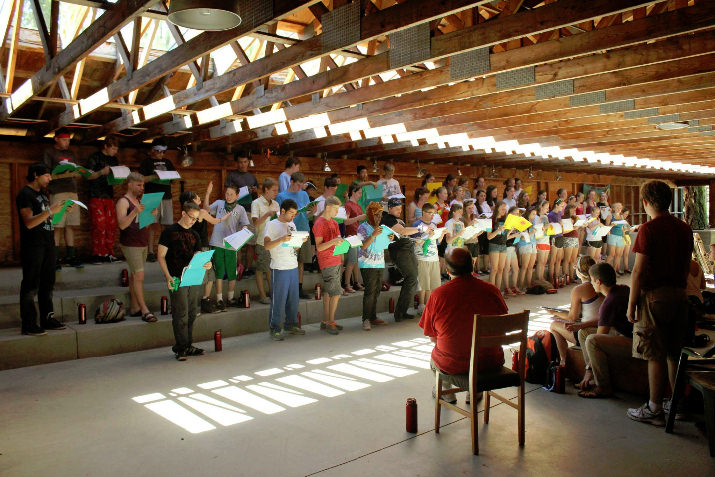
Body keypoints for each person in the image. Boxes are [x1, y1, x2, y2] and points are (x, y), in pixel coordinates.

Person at [626, 180, 693, 426]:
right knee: (675, 352)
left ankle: (654, 407)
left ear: (645, 203)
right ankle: (677, 404)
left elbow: (638, 271)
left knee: (654, 352)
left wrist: (632, 303)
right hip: (680, 294)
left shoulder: (648, 229)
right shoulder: (684, 228)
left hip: (655, 297)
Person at [419, 248, 508, 404]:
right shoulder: (492, 290)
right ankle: (476, 391)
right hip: (491, 362)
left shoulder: (439, 295)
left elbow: (433, 337)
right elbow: (503, 326)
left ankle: (447, 392)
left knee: (435, 358)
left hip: (454, 364)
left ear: (447, 270)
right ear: (472, 265)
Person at [157, 202, 211, 361]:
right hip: (175, 277)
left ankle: (187, 345)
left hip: (192, 277)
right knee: (180, 313)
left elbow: (198, 256)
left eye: (195, 219)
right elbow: (160, 256)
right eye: (191, 217)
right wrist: (167, 276)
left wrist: (206, 264)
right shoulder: (169, 231)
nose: (193, 221)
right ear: (183, 213)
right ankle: (180, 347)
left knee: (192, 313)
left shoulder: (195, 234)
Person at [17, 163, 67, 335]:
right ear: (36, 175)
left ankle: (48, 318)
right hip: (33, 245)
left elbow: (47, 220)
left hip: (48, 243)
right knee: (31, 285)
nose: (50, 179)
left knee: (48, 283)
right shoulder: (25, 194)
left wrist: (60, 211)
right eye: (47, 175)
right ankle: (29, 323)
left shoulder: (43, 195)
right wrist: (50, 211)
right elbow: (29, 222)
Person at [575, 262, 633, 398]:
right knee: (584, 332)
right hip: (626, 334)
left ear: (598, 281)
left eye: (592, 280)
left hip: (633, 342)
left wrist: (588, 368)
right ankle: (593, 376)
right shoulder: (623, 289)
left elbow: (599, 337)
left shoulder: (608, 303)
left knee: (592, 340)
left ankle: (603, 386)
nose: (591, 283)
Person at [263, 199, 308, 341]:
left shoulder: (292, 224)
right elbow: (267, 246)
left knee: (293, 299)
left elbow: (294, 247)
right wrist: (282, 239)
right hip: (279, 266)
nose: (293, 216)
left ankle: (291, 324)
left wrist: (300, 241)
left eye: (295, 214)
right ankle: (275, 328)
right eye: (291, 213)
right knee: (279, 299)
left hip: (292, 265)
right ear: (282, 211)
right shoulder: (271, 224)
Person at [548, 256, 604, 365]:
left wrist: (554, 313)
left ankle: (564, 361)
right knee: (559, 320)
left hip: (587, 331)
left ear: (578, 272)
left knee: (554, 325)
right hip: (602, 327)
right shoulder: (599, 283)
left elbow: (572, 317)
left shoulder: (579, 289)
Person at [116, 172, 156, 323]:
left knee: (135, 276)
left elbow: (142, 222)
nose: (141, 188)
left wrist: (151, 214)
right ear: (129, 184)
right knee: (139, 276)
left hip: (142, 241)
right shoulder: (123, 201)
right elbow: (122, 224)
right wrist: (134, 211)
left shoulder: (138, 200)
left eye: (143, 185)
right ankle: (144, 310)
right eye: (138, 185)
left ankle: (134, 307)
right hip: (131, 243)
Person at [206, 184, 250, 311]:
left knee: (232, 271)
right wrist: (208, 194)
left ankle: (230, 297)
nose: (228, 196)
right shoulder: (219, 203)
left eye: (231, 194)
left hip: (231, 243)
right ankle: (219, 298)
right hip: (217, 242)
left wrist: (243, 231)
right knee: (219, 271)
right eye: (226, 194)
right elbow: (207, 210)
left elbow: (245, 224)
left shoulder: (240, 209)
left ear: (237, 196)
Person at [178, 186, 222, 314]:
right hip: (200, 247)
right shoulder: (200, 213)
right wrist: (223, 219)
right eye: (197, 197)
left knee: (209, 275)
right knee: (202, 276)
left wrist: (208, 193)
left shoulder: (197, 212)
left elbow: (206, 208)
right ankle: (196, 304)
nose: (199, 198)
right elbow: (211, 217)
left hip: (202, 246)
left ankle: (204, 301)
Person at [43, 127, 82, 268]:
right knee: (57, 225)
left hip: (72, 190)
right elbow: (46, 171)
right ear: (56, 139)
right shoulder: (49, 152)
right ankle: (54, 257)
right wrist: (59, 172)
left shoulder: (71, 153)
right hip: (57, 191)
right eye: (64, 140)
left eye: (68, 140)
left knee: (70, 224)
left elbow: (77, 168)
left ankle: (71, 255)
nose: (67, 143)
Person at [276, 172, 317, 299]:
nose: (299, 188)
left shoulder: (304, 194)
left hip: (303, 230)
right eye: (297, 185)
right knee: (289, 261)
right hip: (289, 231)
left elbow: (307, 215)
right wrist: (291, 216)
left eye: (301, 186)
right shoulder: (282, 196)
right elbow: (278, 216)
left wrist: (313, 212)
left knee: (301, 262)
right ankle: (288, 288)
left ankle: (299, 288)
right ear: (291, 182)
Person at [381, 197, 420, 321]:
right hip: (400, 252)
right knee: (411, 278)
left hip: (407, 249)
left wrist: (415, 241)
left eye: (400, 208)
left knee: (412, 279)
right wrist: (420, 229)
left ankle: (402, 311)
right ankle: (399, 312)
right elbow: (402, 231)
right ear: (390, 208)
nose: (399, 211)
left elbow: (402, 235)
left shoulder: (396, 219)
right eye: (396, 208)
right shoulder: (388, 219)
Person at [138, 138, 176, 262]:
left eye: (163, 152)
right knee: (150, 225)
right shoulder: (146, 163)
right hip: (151, 196)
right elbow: (140, 179)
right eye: (158, 151)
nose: (161, 154)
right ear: (152, 150)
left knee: (167, 225)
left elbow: (174, 177)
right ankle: (149, 251)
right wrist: (154, 176)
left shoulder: (168, 162)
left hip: (166, 197)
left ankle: (166, 251)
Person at [313, 196, 346, 335]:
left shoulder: (334, 222)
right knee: (336, 293)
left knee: (328, 292)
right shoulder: (319, 223)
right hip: (327, 261)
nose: (337, 212)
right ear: (327, 207)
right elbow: (319, 247)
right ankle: (331, 321)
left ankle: (326, 321)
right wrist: (333, 242)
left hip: (336, 260)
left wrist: (342, 257)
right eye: (335, 209)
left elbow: (339, 241)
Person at [86, 134, 119, 263]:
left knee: (111, 225)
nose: (115, 152)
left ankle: (109, 252)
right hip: (96, 195)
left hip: (109, 195)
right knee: (99, 225)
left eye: (116, 149)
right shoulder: (94, 158)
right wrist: (101, 172)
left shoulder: (114, 160)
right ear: (105, 146)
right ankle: (97, 253)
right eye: (113, 148)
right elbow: (87, 176)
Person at [357, 202, 389, 330]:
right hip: (367, 263)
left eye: (380, 215)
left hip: (379, 262)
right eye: (376, 215)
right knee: (370, 291)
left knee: (376, 290)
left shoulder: (381, 227)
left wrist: (389, 238)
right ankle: (366, 319)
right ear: (370, 215)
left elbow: (384, 244)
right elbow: (363, 245)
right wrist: (373, 235)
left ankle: (373, 316)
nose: (379, 218)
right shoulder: (362, 228)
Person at [225, 154, 258, 275]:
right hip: (236, 211)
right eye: (240, 162)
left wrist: (254, 191)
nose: (242, 164)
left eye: (244, 162)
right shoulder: (231, 176)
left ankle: (248, 269)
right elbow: (228, 194)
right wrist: (242, 191)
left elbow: (255, 197)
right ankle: (238, 268)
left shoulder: (252, 177)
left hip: (249, 211)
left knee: (250, 242)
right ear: (236, 163)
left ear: (248, 162)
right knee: (236, 242)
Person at [252, 178, 280, 305]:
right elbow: (256, 224)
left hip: (275, 241)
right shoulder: (256, 203)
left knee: (271, 268)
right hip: (262, 240)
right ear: (266, 189)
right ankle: (262, 295)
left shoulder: (276, 203)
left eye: (277, 190)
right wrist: (267, 214)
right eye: (274, 190)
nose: (276, 192)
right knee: (261, 268)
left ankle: (273, 293)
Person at [412, 203, 441, 315]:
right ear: (423, 212)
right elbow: (416, 242)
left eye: (433, 213)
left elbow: (437, 241)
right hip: (422, 257)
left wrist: (441, 234)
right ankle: (421, 305)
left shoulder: (434, 224)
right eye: (430, 213)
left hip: (433, 257)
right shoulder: (417, 225)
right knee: (423, 283)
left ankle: (428, 304)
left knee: (431, 283)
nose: (432, 216)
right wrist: (428, 235)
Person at [343, 183, 366, 293]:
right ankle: (347, 284)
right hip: (350, 235)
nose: (360, 195)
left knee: (356, 261)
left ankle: (356, 282)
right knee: (351, 260)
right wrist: (358, 218)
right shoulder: (348, 205)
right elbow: (346, 222)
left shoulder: (358, 205)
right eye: (359, 193)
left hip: (357, 235)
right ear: (353, 192)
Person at [487, 201, 508, 294]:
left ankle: (498, 291)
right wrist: (498, 230)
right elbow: (489, 237)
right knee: (494, 269)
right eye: (502, 208)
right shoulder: (490, 220)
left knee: (500, 269)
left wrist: (510, 231)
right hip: (494, 245)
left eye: (505, 208)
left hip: (503, 245)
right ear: (497, 208)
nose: (504, 210)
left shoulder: (506, 220)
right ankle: (491, 291)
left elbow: (505, 235)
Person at [502, 206, 523, 296]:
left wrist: (519, 236)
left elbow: (517, 237)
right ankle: (507, 288)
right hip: (506, 247)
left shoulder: (516, 224)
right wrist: (513, 236)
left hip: (512, 247)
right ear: (510, 214)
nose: (516, 215)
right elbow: (504, 238)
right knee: (507, 268)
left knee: (516, 268)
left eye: (518, 213)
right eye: (515, 213)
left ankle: (514, 286)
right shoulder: (507, 224)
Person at [516, 207, 537, 290]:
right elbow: (521, 237)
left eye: (535, 214)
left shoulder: (534, 222)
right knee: (524, 266)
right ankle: (520, 286)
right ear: (528, 214)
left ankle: (528, 285)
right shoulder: (523, 222)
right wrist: (531, 232)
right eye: (533, 214)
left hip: (533, 244)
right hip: (525, 245)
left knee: (531, 267)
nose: (534, 216)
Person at [548, 198, 566, 288]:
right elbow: (550, 227)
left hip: (560, 236)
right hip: (554, 237)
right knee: (553, 260)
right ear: (556, 205)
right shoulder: (551, 214)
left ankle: (557, 277)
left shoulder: (559, 213)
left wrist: (562, 225)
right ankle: (551, 279)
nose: (562, 208)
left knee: (559, 259)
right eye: (561, 206)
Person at [561, 204, 582, 283]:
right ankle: (564, 277)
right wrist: (574, 228)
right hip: (567, 238)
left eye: (574, 210)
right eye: (572, 210)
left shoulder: (575, 217)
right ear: (568, 210)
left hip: (575, 238)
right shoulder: (564, 218)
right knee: (567, 259)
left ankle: (571, 277)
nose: (574, 211)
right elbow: (565, 230)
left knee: (573, 259)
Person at [533, 200, 551, 283]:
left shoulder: (546, 216)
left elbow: (547, 227)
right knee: (540, 262)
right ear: (541, 207)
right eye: (546, 208)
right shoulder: (536, 217)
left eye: (548, 208)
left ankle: (542, 277)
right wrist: (544, 225)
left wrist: (547, 224)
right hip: (540, 241)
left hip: (546, 240)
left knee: (544, 262)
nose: (547, 210)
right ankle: (538, 279)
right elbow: (538, 228)